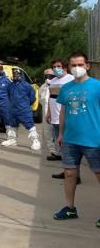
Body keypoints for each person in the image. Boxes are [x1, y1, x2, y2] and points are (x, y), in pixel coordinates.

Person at [52, 51, 100, 228]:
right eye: (73, 65)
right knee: (70, 174)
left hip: (94, 140)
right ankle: (70, 207)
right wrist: (61, 134)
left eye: (80, 64)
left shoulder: (97, 86)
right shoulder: (66, 88)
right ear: (69, 67)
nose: (77, 68)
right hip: (71, 140)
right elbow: (63, 111)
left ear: (87, 66)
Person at [2, 69, 41, 151]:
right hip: (13, 109)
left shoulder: (27, 85)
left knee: (29, 125)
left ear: (21, 75)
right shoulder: (10, 85)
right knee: (12, 125)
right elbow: (8, 96)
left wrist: (25, 104)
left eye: (18, 74)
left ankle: (36, 141)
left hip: (24, 109)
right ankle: (12, 140)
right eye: (14, 74)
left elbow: (32, 98)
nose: (16, 75)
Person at [46, 60, 74, 160]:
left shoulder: (71, 79)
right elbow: (50, 97)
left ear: (65, 68)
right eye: (54, 67)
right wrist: (48, 112)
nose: (56, 68)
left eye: (59, 66)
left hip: (64, 115)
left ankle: (68, 159)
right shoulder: (53, 81)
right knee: (57, 136)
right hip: (54, 115)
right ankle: (60, 154)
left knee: (66, 138)